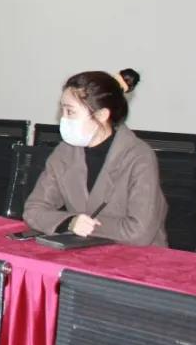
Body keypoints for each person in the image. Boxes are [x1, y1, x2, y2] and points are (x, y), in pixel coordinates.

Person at [24, 68, 168, 246]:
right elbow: (34, 210)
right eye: (62, 111)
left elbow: (139, 232)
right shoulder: (65, 152)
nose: (62, 118)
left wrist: (86, 226)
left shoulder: (138, 156)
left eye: (70, 112)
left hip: (138, 257)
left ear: (101, 115)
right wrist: (70, 222)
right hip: (83, 252)